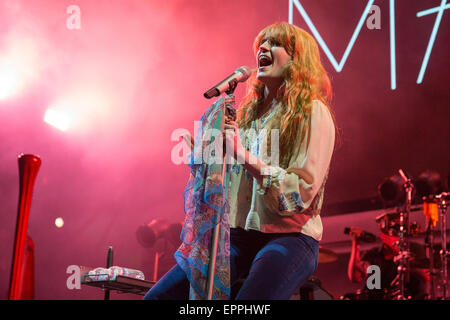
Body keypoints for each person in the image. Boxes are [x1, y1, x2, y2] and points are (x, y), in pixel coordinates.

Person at [144, 22, 336, 300]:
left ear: (298, 60)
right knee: (158, 298)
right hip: (236, 237)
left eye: (276, 44)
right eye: (262, 44)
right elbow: (226, 189)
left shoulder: (313, 112)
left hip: (290, 237)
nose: (264, 48)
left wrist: (241, 155)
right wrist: (203, 161)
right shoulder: (246, 118)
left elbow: (298, 196)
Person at [346, 213, 429, 300]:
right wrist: (356, 244)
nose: (389, 235)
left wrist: (399, 251)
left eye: (395, 230)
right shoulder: (374, 254)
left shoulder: (414, 249)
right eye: (386, 230)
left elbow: (424, 275)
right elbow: (356, 277)